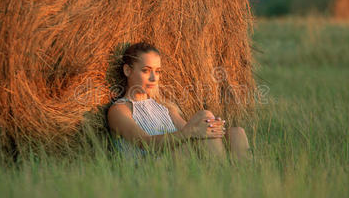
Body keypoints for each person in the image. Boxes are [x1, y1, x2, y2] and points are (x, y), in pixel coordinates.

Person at [107, 42, 250, 160]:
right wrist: (193, 131)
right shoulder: (120, 110)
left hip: (180, 159)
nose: (153, 78)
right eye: (146, 70)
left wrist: (211, 129)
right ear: (127, 70)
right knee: (204, 117)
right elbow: (146, 143)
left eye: (157, 71)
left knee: (236, 132)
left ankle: (241, 182)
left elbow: (191, 134)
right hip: (151, 165)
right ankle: (222, 178)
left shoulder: (164, 108)